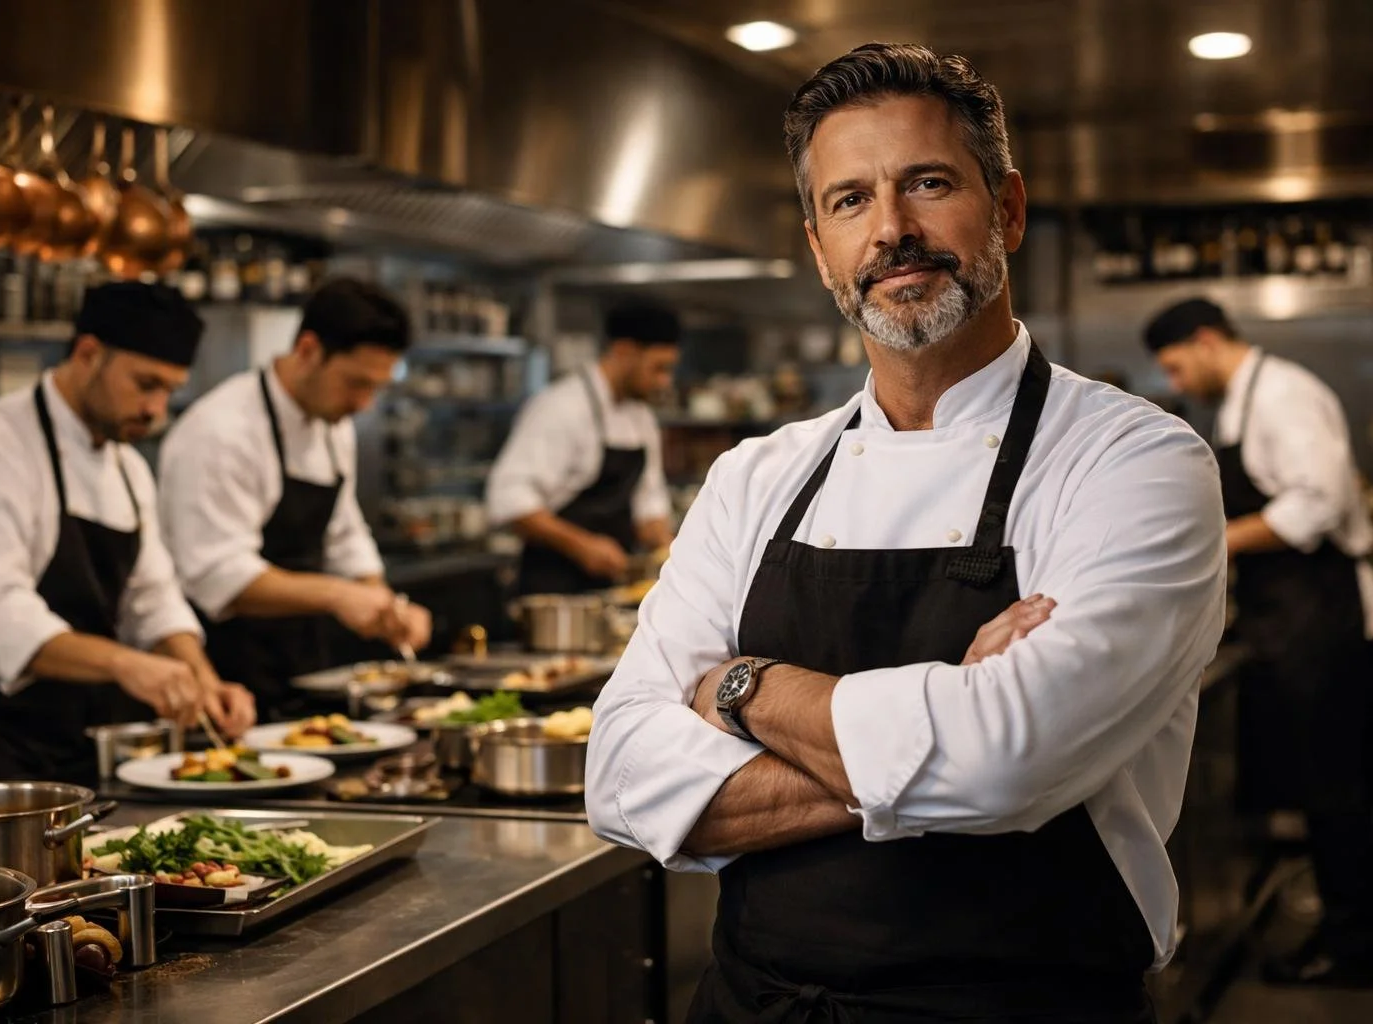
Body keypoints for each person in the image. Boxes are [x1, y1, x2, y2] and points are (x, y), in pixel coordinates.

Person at [585, 43, 1227, 1022]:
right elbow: (621, 775)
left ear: (1006, 208)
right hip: (753, 1004)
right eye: (850, 201)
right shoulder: (757, 475)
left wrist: (740, 686)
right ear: (819, 247)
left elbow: (1005, 758)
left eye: (927, 183)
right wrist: (947, 720)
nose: (891, 229)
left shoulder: (1134, 460)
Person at [0, 282, 256, 786]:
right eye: (145, 384)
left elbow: (151, 598)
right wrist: (125, 665)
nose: (157, 410)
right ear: (88, 354)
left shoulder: (128, 467)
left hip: (76, 748)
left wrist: (203, 679)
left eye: (169, 391)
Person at [1144, 296, 1373, 986]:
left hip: (1323, 614)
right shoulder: (1246, 399)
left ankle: (1356, 951)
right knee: (1323, 787)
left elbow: (1319, 502)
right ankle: (1347, 933)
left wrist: (1211, 545)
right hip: (1291, 616)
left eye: (1178, 366)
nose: (1178, 382)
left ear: (1207, 340)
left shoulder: (1284, 395)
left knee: (1340, 790)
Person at [158, 277, 431, 720]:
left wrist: (383, 603)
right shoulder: (220, 432)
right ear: (308, 350)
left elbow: (343, 531)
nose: (364, 404)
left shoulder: (332, 424)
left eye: (376, 389)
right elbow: (217, 574)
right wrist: (337, 596)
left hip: (302, 665)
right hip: (225, 676)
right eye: (355, 383)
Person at [486, 302, 678, 596]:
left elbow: (648, 506)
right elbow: (509, 500)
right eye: (658, 368)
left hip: (613, 589)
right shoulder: (561, 407)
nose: (664, 381)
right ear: (624, 351)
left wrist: (673, 554)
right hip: (553, 591)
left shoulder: (642, 418)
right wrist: (581, 546)